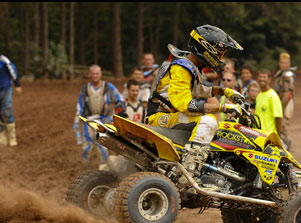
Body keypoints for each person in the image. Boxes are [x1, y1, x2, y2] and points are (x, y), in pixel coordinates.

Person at [146, 24, 245, 184]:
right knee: (209, 121)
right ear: (208, 49)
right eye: (220, 53)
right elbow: (185, 104)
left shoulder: (189, 66)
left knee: (210, 123)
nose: (221, 58)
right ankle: (188, 175)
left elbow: (200, 89)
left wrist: (225, 92)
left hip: (170, 117)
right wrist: (224, 107)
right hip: (160, 118)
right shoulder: (181, 68)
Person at [73, 64, 123, 166]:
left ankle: (104, 170)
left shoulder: (108, 87)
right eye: (93, 74)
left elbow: (120, 101)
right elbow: (80, 105)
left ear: (100, 74)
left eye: (97, 73)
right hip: (88, 121)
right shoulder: (85, 88)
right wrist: (76, 121)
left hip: (103, 121)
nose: (95, 76)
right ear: (89, 75)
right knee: (87, 147)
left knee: (103, 147)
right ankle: (86, 169)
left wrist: (113, 116)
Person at [255, 69, 285, 146]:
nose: (262, 79)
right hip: (259, 137)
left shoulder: (273, 96)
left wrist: (277, 137)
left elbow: (278, 118)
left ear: (269, 80)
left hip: (269, 138)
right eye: (260, 77)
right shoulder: (259, 95)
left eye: (264, 77)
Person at [273, 52, 296, 149]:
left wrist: (282, 105)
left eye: (285, 63)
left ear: (289, 64)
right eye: (281, 62)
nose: (283, 65)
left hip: (284, 101)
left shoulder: (288, 75)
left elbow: (288, 91)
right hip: (278, 99)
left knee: (282, 124)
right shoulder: (280, 73)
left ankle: (286, 143)